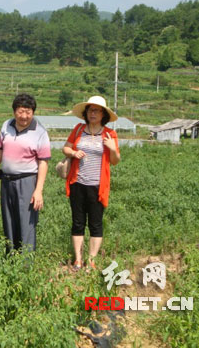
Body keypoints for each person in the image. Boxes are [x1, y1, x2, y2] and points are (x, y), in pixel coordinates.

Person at [0, 93, 51, 254]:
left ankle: (25, 264)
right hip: (6, 181)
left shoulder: (40, 132)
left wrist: (38, 190)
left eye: (28, 112)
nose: (24, 116)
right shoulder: (6, 125)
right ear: (14, 111)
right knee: (9, 220)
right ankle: (11, 257)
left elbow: (43, 162)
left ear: (33, 113)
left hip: (27, 181)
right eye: (21, 112)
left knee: (26, 223)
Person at [62, 96, 121, 272]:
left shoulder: (110, 134)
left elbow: (115, 160)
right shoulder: (79, 129)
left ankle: (92, 260)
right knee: (78, 222)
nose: (93, 113)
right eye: (90, 110)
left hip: (97, 186)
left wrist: (111, 147)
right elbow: (65, 147)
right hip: (77, 183)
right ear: (86, 113)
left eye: (97, 110)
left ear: (103, 114)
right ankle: (78, 260)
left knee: (95, 223)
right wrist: (73, 152)